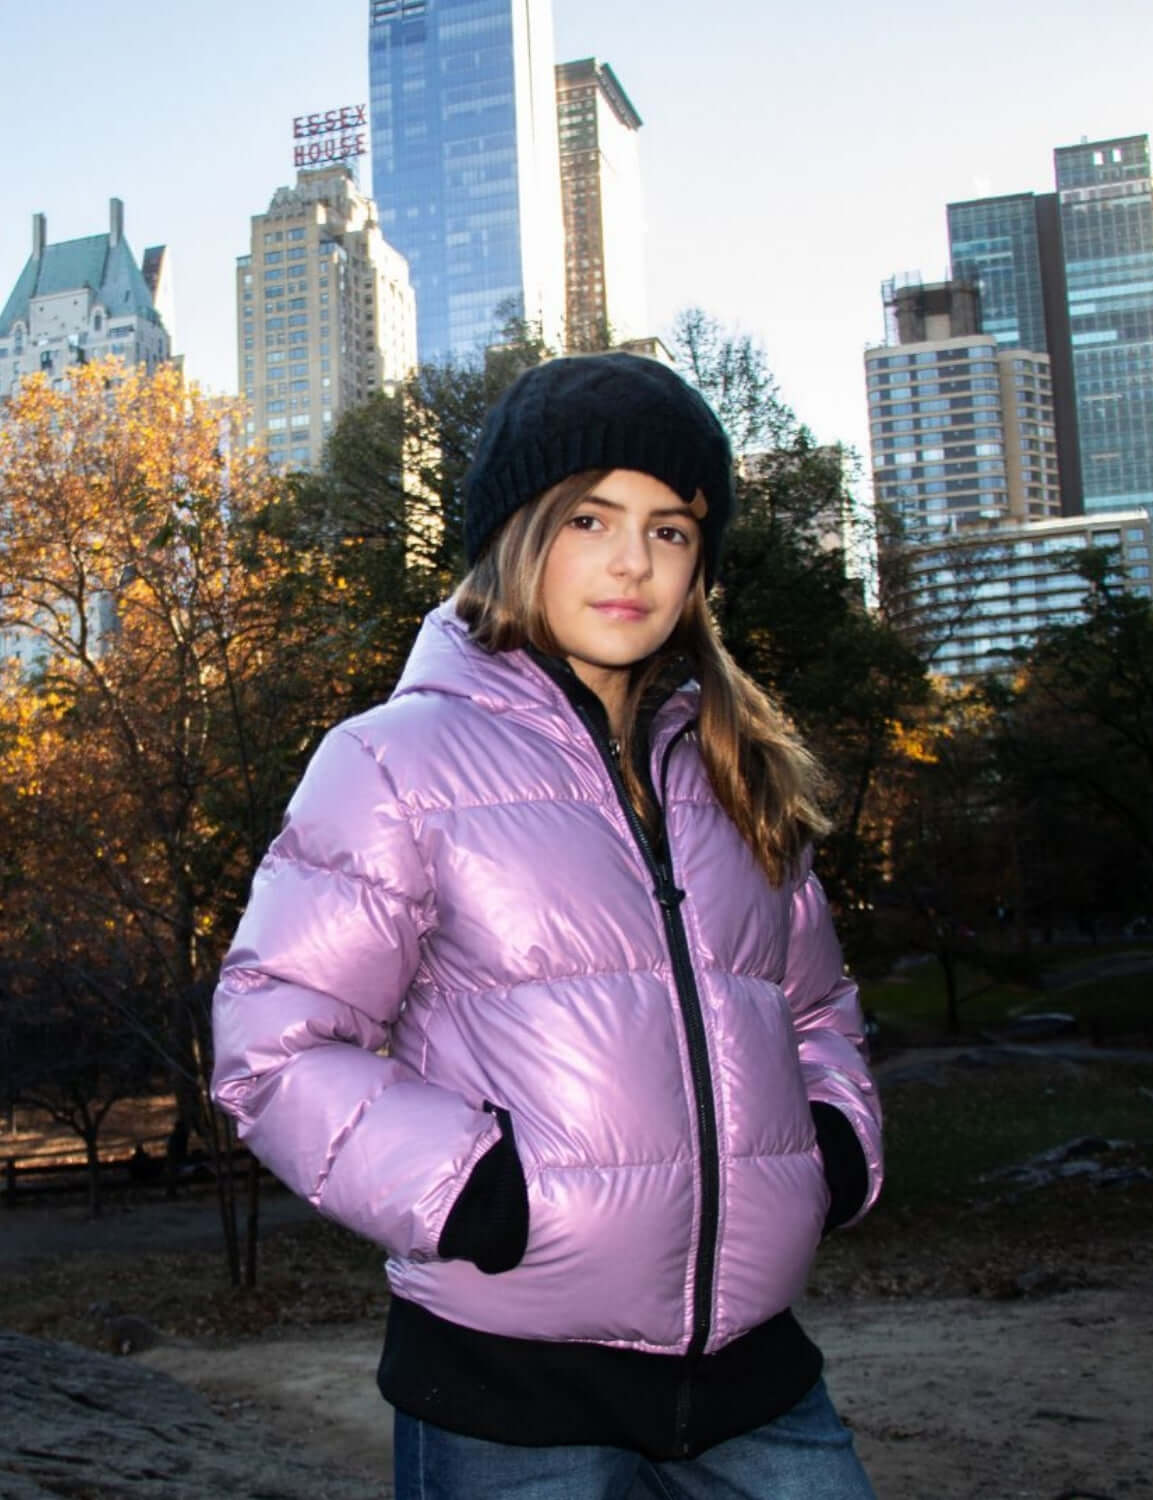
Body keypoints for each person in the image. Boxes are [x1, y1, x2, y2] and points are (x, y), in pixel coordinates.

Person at [211, 351, 883, 1498]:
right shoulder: (392, 760)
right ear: (519, 534)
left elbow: (813, 1006)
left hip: (757, 1383)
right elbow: (270, 1046)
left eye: (672, 530)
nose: (634, 560)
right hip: (508, 1395)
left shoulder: (740, 771)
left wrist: (835, 1145)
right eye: (591, 517)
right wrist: (473, 1187)